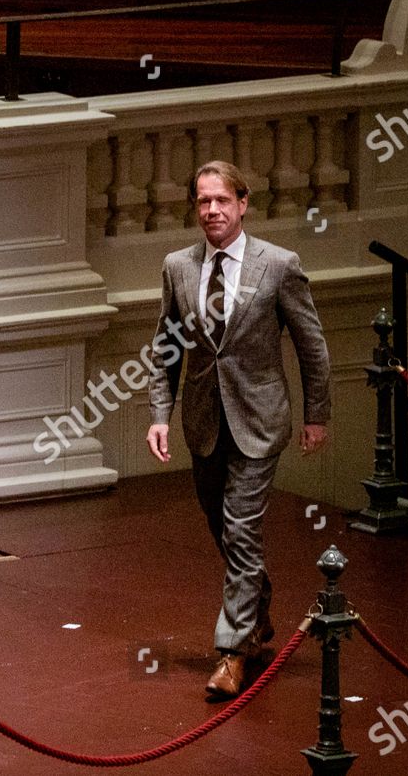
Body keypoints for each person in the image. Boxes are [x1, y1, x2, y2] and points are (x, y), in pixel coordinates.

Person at [146, 160, 330, 700]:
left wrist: (317, 414)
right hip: (203, 420)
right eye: (203, 201)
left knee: (242, 526)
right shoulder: (178, 266)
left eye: (222, 200)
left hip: (260, 418)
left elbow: (311, 343)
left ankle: (232, 652)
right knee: (221, 524)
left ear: (243, 204)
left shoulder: (279, 265)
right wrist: (159, 414)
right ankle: (259, 607)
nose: (212, 211)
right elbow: (166, 348)